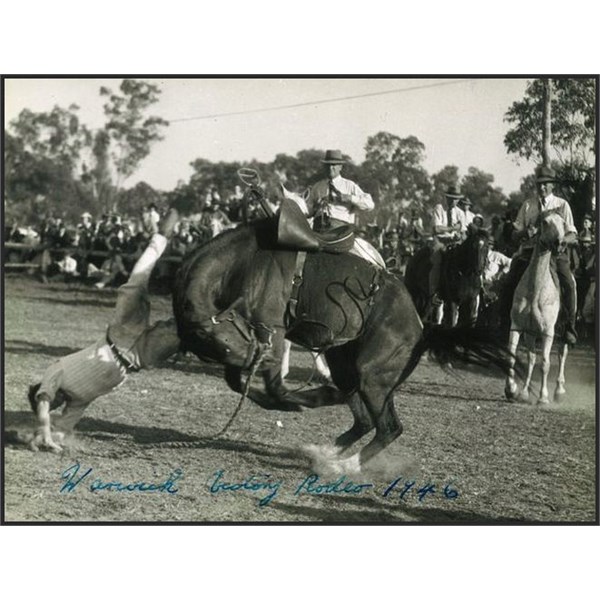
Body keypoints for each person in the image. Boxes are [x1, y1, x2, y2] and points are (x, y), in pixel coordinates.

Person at [27, 208, 182, 452]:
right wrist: (46, 438)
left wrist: (43, 426)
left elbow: (44, 401)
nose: (55, 402)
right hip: (137, 359)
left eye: (49, 401)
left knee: (136, 281)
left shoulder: (54, 371)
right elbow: (63, 429)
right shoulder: (78, 401)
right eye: (56, 405)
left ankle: (160, 238)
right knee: (188, 332)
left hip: (119, 335)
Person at [499, 165, 579, 344]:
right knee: (508, 282)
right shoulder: (528, 205)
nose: (541, 187)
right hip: (529, 253)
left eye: (545, 184)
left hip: (555, 255)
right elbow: (514, 233)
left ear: (552, 186)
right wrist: (523, 233)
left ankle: (569, 328)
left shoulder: (562, 204)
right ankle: (505, 325)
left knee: (569, 283)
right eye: (539, 184)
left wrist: (564, 240)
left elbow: (573, 233)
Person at [307, 149, 385, 268]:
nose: (330, 168)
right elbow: (308, 211)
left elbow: (370, 204)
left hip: (340, 234)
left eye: (334, 165)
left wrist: (350, 198)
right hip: (319, 233)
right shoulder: (317, 187)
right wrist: (315, 207)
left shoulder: (349, 186)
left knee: (361, 260)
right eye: (328, 165)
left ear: (340, 167)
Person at [429, 184, 464, 305]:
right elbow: (436, 229)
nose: (454, 201)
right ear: (447, 198)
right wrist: (452, 228)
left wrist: (459, 235)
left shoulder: (460, 213)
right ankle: (434, 293)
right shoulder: (439, 208)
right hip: (440, 241)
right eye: (451, 198)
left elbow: (463, 232)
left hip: (454, 242)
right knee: (437, 260)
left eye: (456, 198)